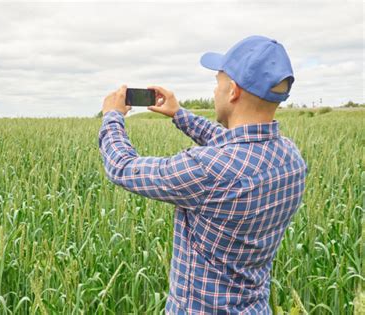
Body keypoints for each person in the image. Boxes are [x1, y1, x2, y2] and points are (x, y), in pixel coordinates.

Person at [98, 35, 308, 314]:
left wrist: (112, 116)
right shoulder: (290, 158)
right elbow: (234, 145)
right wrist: (178, 114)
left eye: (217, 83)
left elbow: (122, 167)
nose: (214, 92)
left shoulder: (208, 169)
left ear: (233, 91)